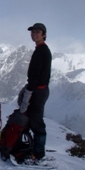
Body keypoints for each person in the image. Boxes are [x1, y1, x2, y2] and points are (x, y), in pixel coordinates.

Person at [18, 23, 52, 160]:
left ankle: (38, 154)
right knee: (32, 119)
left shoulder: (41, 51)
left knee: (37, 122)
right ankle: (35, 148)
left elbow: (35, 76)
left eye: (37, 32)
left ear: (44, 34)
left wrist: (28, 93)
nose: (34, 34)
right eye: (32, 32)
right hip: (40, 90)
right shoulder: (42, 50)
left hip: (38, 91)